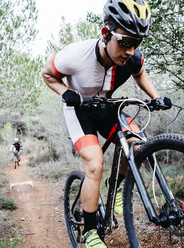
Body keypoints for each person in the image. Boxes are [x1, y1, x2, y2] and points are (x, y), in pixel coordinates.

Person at [41, 0, 172, 247]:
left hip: (106, 106)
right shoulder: (76, 55)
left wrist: (156, 97)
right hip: (80, 111)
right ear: (105, 33)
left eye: (137, 43)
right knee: (95, 164)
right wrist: (64, 92)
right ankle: (90, 233)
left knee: (135, 142)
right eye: (125, 42)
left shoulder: (132, 57)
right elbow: (47, 73)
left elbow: (140, 73)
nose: (131, 50)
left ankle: (116, 185)